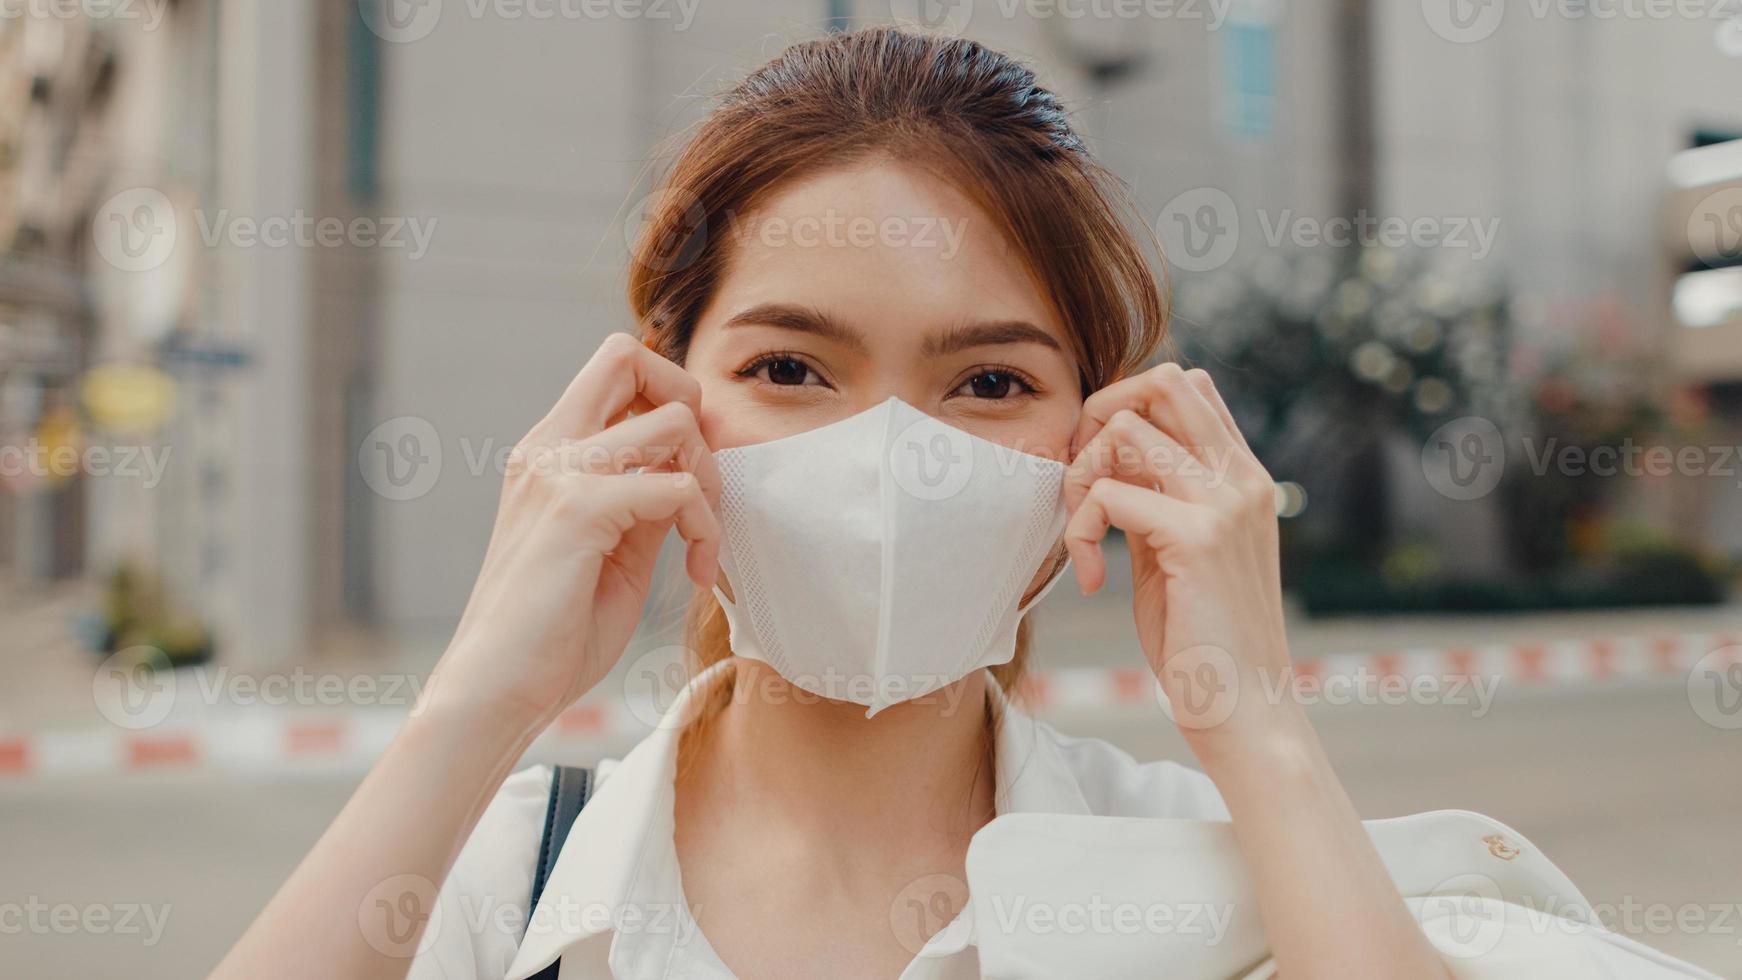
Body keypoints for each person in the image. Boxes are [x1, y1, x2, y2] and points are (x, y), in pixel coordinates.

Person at [213, 26, 1719, 980]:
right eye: (792, 366)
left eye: (986, 383)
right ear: (665, 410)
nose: (884, 456)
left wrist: (1252, 715)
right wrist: (481, 696)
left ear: (1099, 446)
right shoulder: (497, 879)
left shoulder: (1218, 869)